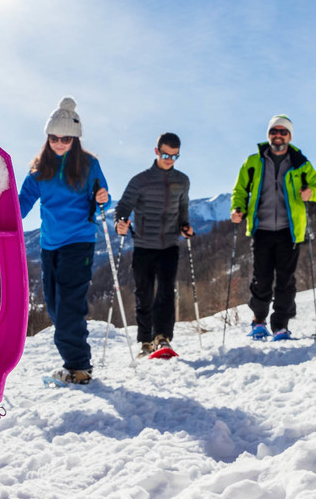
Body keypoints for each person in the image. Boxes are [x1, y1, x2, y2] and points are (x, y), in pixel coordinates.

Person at [20, 98, 109, 384]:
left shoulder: (88, 165)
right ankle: (75, 362)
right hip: (50, 246)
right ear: (48, 138)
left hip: (79, 242)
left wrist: (102, 198)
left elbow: (103, 194)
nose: (60, 143)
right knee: (56, 307)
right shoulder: (38, 170)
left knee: (70, 305)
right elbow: (21, 204)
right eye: (54, 138)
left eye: (66, 138)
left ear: (76, 138)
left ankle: (79, 366)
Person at [230, 115, 316, 340]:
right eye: (274, 131)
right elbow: (240, 191)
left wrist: (311, 193)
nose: (278, 135)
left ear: (290, 137)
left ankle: (281, 325)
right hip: (261, 229)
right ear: (269, 135)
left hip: (289, 232)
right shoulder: (253, 162)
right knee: (261, 279)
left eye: (283, 132)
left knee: (286, 280)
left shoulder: (300, 163)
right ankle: (258, 321)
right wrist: (238, 208)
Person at [114, 133, 193, 355]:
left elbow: (183, 208)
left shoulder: (182, 180)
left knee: (167, 291)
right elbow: (122, 207)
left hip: (169, 244)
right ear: (157, 151)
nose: (169, 159)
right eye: (166, 154)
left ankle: (163, 338)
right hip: (143, 245)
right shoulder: (140, 181)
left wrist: (185, 226)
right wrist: (120, 223)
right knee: (144, 293)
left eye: (175, 156)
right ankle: (145, 341)